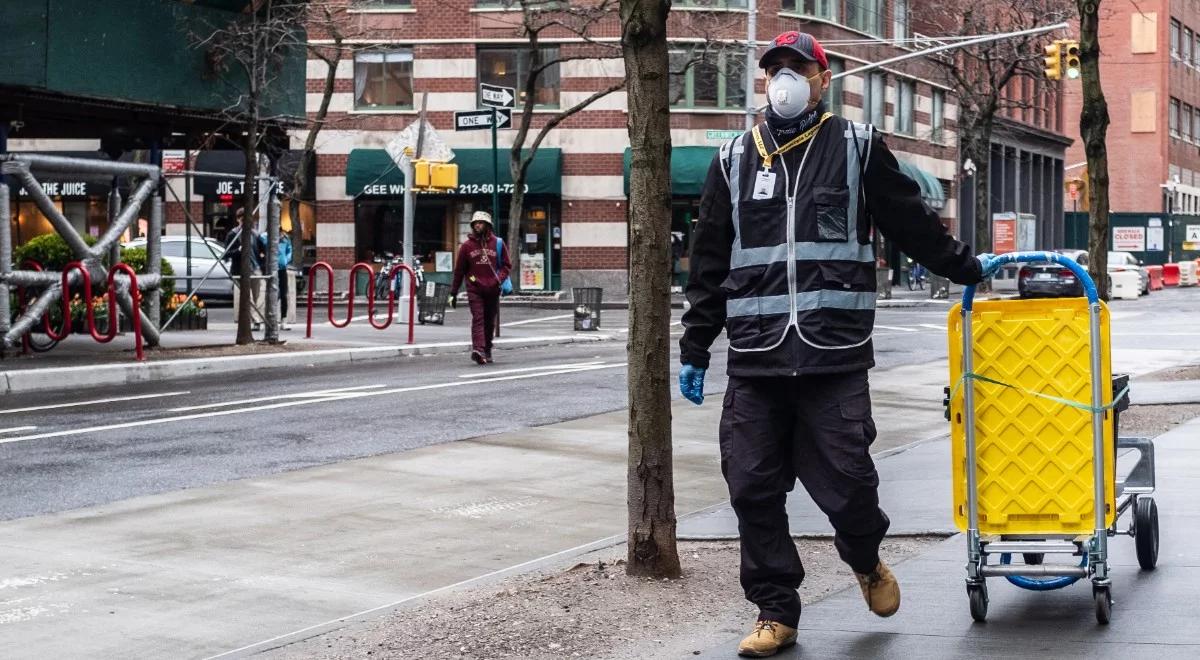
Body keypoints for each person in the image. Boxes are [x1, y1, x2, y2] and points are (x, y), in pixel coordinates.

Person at [677, 31, 991, 658]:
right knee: (749, 486)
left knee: (848, 484)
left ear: (823, 80)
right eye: (775, 68)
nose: (784, 77)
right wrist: (695, 345)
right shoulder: (734, 157)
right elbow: (709, 257)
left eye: (797, 67)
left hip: (833, 355)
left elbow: (909, 224)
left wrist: (964, 266)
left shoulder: (856, 147)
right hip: (758, 357)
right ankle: (775, 610)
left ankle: (865, 558)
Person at [449, 211, 511, 364]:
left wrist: (498, 279)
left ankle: (487, 349)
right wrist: (453, 293)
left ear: (488, 225)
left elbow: (507, 265)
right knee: (478, 318)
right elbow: (459, 271)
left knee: (489, 320)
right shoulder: (466, 246)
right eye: (475, 222)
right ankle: (478, 349)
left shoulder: (497, 243)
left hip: (493, 289)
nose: (478, 225)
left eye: (481, 222)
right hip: (474, 287)